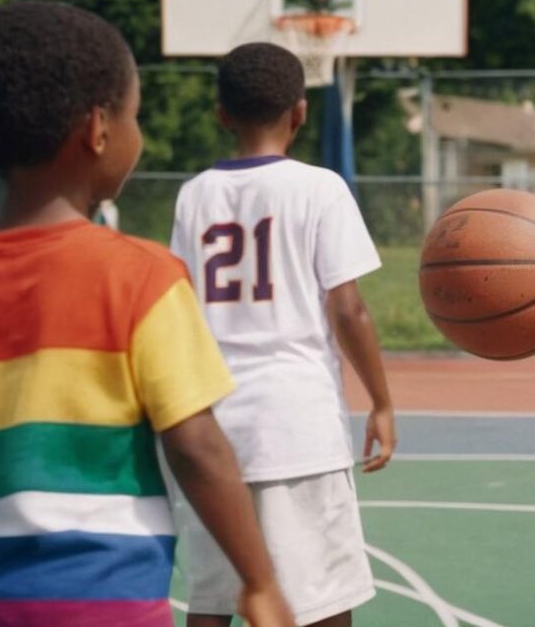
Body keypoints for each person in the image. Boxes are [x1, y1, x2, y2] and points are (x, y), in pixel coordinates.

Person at [0, 1, 293, 627]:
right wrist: (257, 579)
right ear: (98, 129)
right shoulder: (142, 276)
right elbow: (197, 446)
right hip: (104, 600)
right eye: (135, 116)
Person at [169, 42, 397, 627]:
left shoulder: (194, 195)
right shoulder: (320, 188)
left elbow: (182, 307)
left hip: (210, 422)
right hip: (295, 423)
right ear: (300, 112)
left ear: (221, 114)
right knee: (321, 599)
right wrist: (383, 401)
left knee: (213, 601)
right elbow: (348, 309)